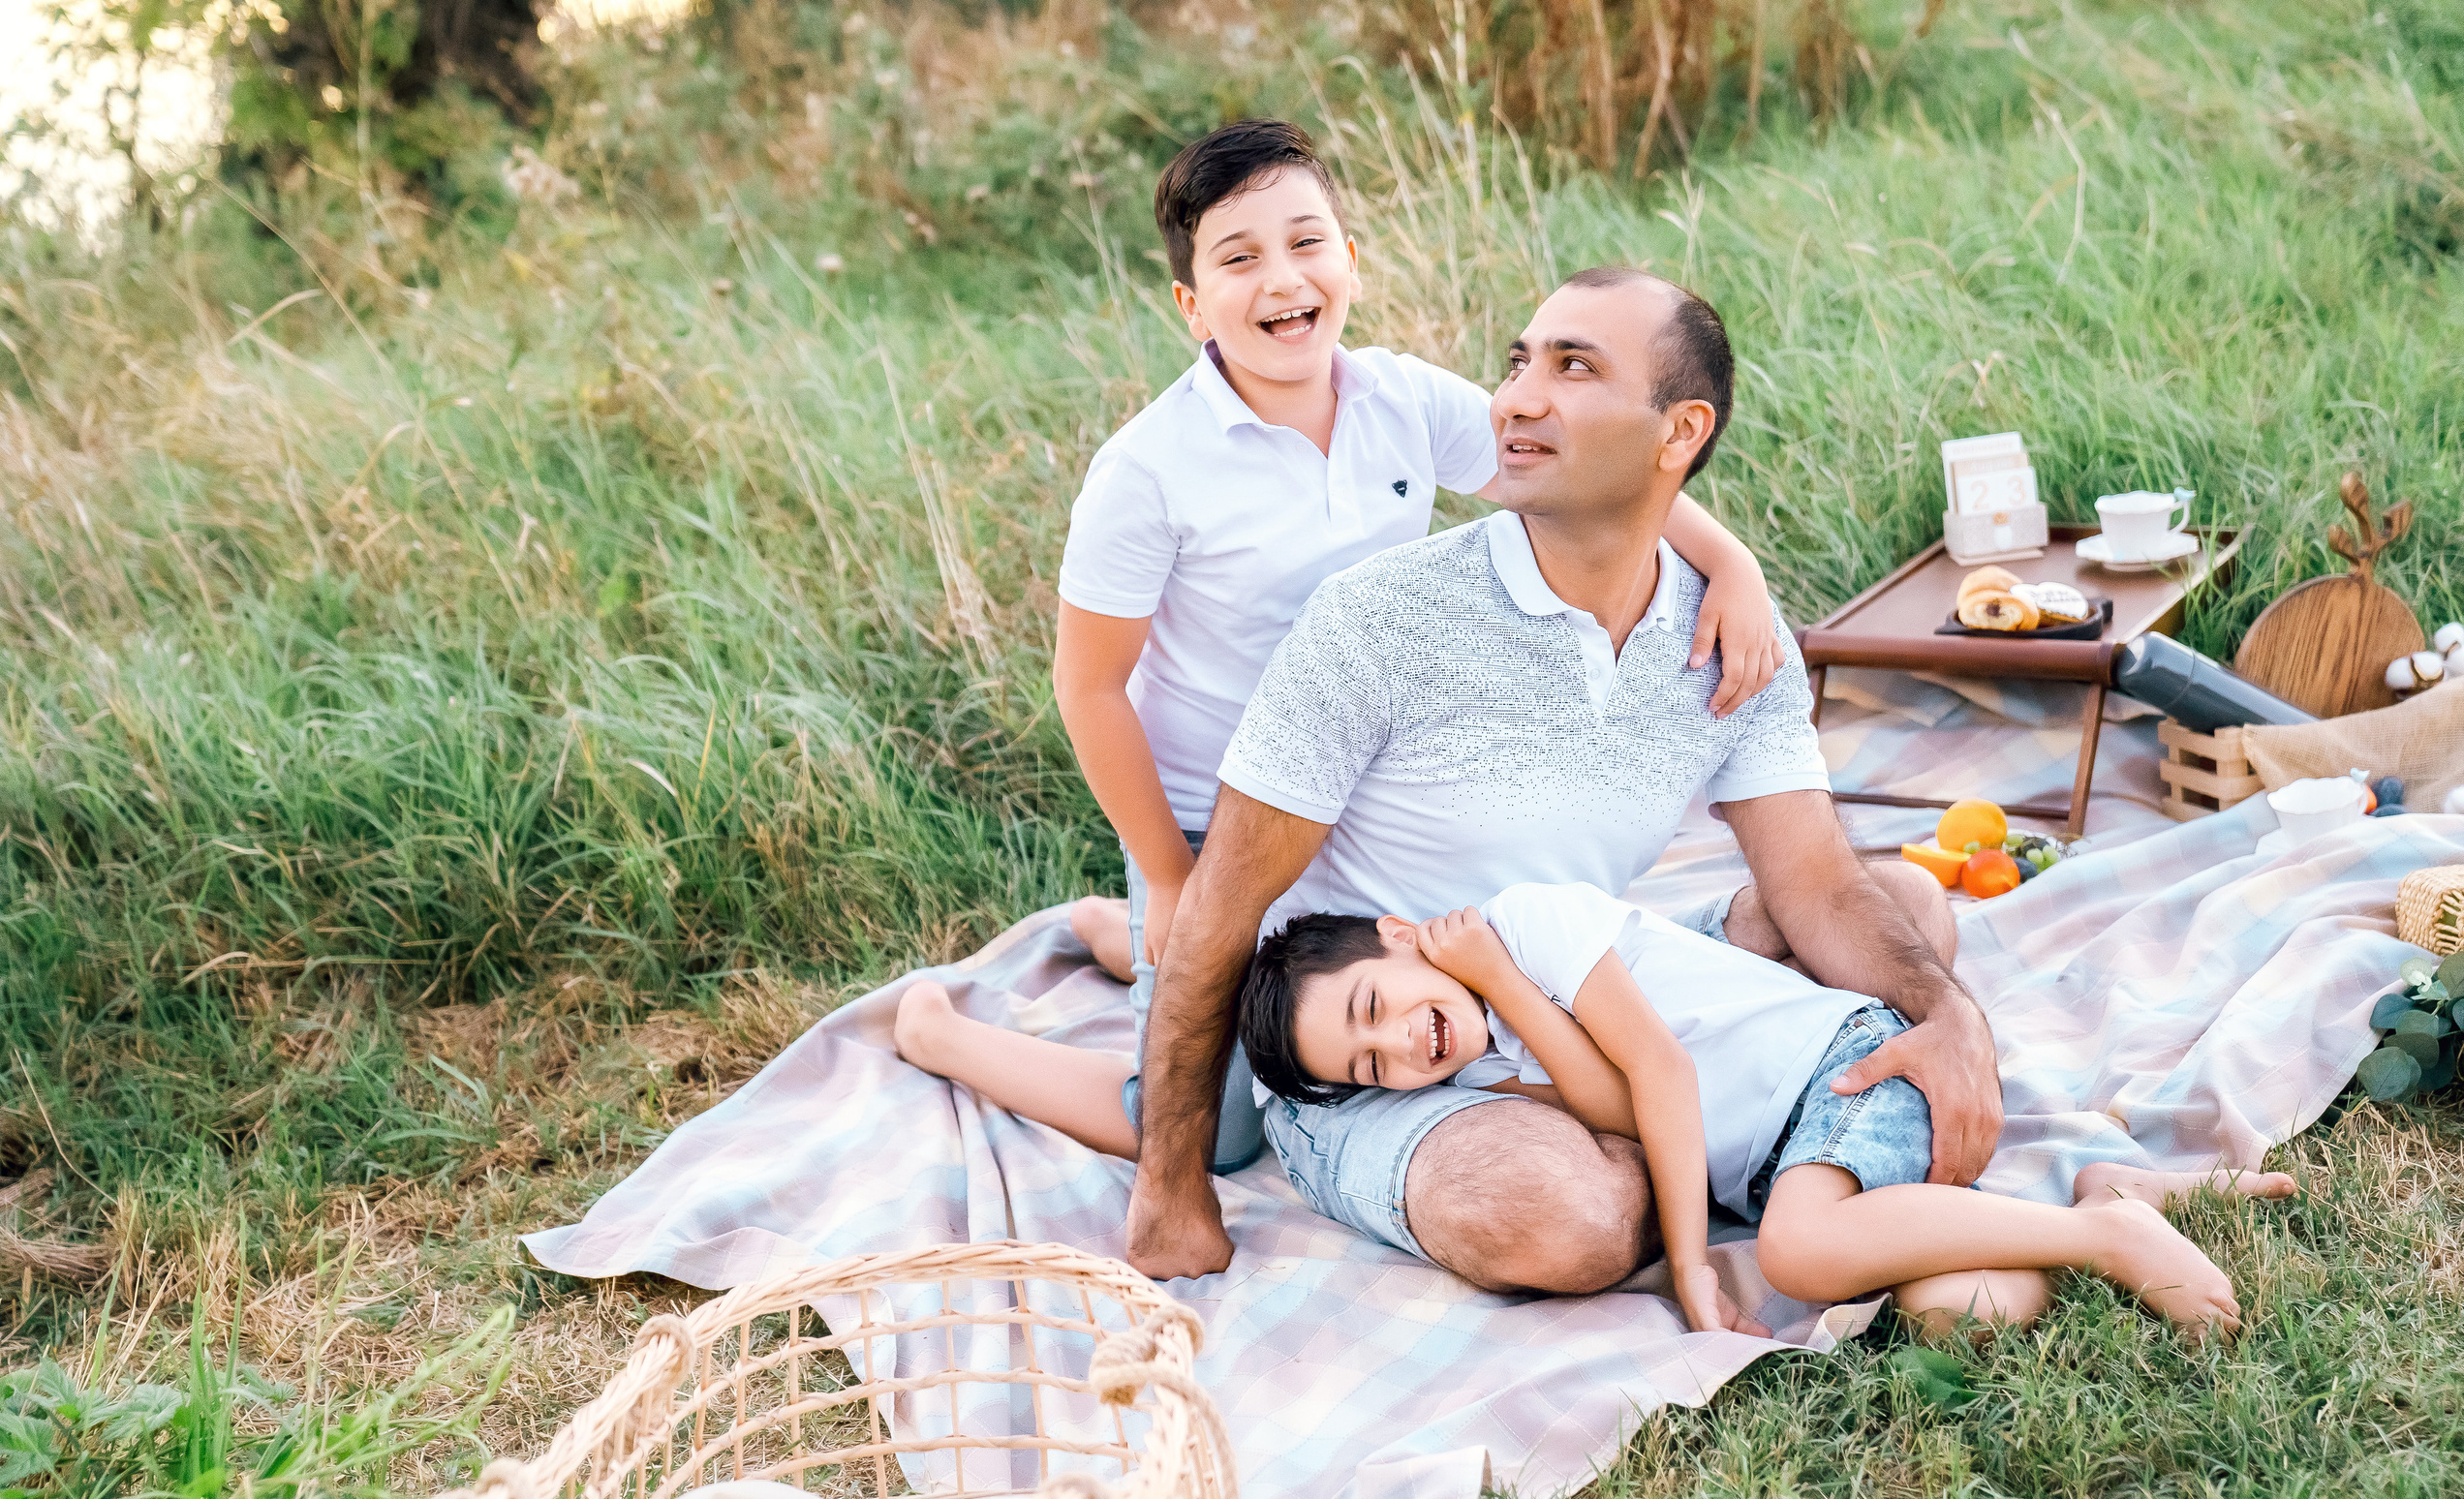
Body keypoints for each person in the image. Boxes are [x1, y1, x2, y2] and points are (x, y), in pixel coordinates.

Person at [896, 121, 1784, 1168]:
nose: (1282, 279)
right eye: (1238, 258)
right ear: (1192, 308)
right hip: (1213, 819)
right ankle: (955, 1026)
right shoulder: (1149, 471)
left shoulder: (1399, 399)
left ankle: (1113, 931)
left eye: (1306, 242)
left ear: (1349, 262)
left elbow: (1569, 473)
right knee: (1211, 1131)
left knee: (1466, 986)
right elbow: (1089, 687)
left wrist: (1734, 566)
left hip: (1364, 792)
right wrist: (1171, 872)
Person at [1124, 267, 1990, 1289]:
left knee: (1904, 906)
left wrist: (1954, 1023)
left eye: (1572, 367)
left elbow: (1817, 887)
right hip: (1402, 1047)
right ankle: (1699, 1152)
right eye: (1517, 362)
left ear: (1679, 433)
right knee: (1558, 1219)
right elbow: (1222, 901)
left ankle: (1709, 1142)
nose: (1517, 397)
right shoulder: (1381, 618)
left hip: (1582, 976)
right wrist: (1168, 1184)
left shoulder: (1730, 637)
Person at [1234, 889, 2296, 1333]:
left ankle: (2100, 1234)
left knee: (1793, 1251)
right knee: (1964, 1309)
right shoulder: (1478, 1062)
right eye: (1370, 1068)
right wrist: (1501, 1013)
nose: (1397, 1047)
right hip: (1794, 1144)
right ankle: (2093, 1189)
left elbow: (1660, 1077)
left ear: (1401, 934)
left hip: (1838, 1070)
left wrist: (1693, 1262)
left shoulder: (1531, 921)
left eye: (1373, 1008)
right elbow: (1608, 1105)